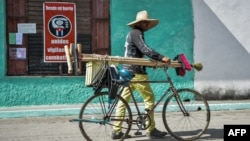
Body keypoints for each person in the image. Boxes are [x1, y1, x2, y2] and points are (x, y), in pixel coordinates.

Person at [112, 10, 171, 139]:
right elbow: (145, 49)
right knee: (149, 99)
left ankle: (117, 131)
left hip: (127, 71)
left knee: (123, 101)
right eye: (147, 23)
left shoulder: (132, 34)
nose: (148, 25)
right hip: (136, 72)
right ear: (141, 23)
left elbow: (137, 52)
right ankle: (151, 129)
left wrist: (150, 63)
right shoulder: (136, 33)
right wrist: (161, 57)